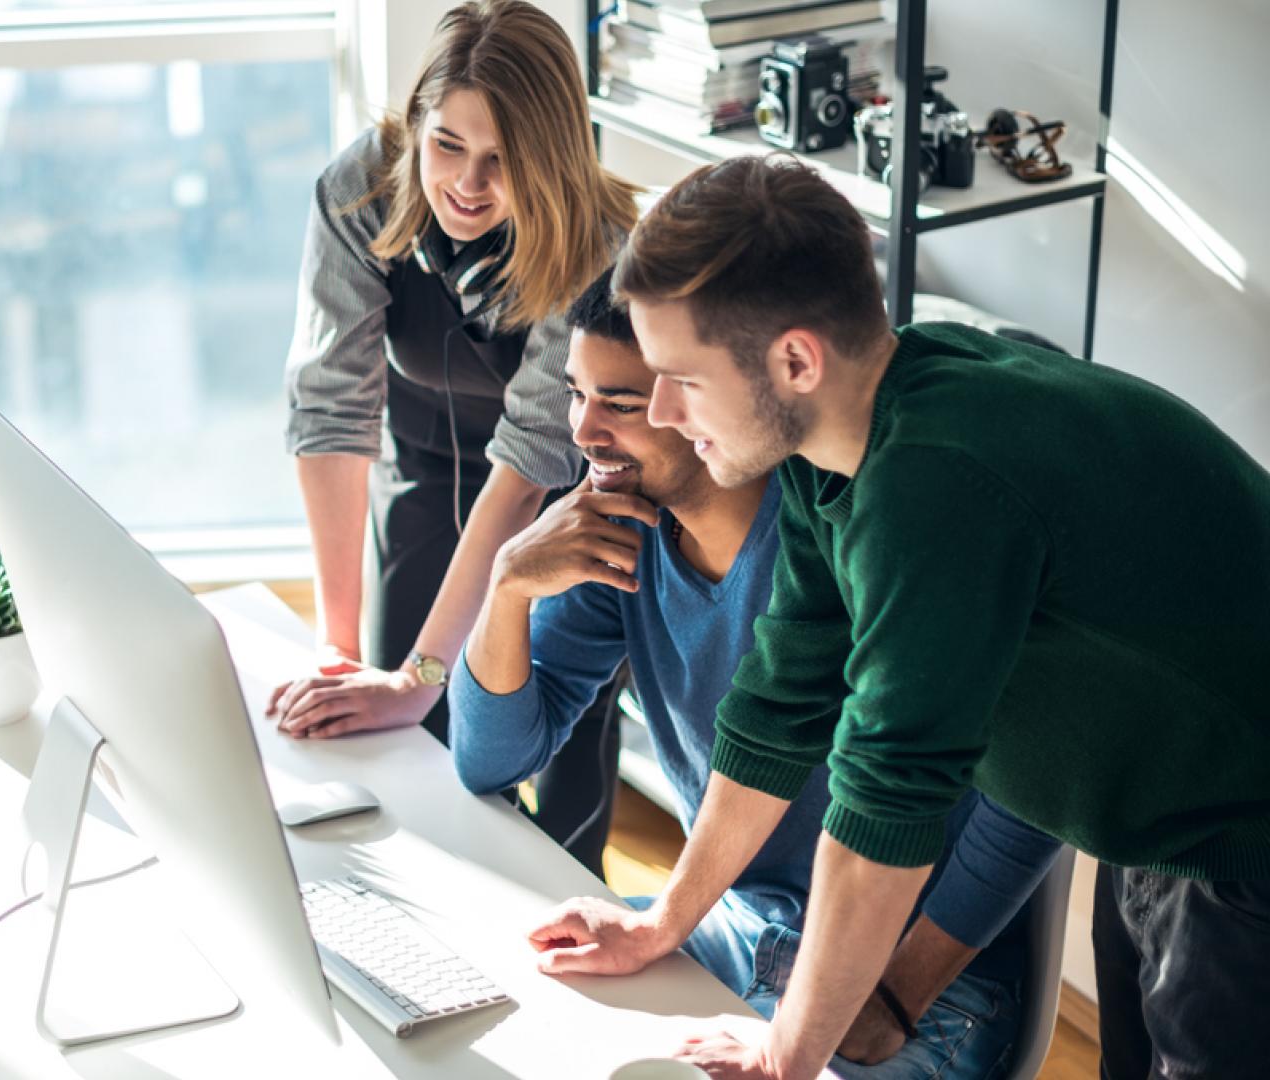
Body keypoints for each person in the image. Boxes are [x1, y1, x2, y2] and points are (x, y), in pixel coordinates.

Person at [586, 153, 1270, 1080]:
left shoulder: (933, 484)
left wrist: (785, 1057)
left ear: (793, 359)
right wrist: (663, 921)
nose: (661, 410)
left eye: (682, 378)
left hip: (1241, 847)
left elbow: (885, 808)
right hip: (1157, 825)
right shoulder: (836, 442)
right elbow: (780, 704)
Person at [454, 268, 1062, 1078]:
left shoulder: (856, 538)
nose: (585, 433)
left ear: (707, 401)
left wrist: (892, 992)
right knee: (502, 1018)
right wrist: (507, 588)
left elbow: (1035, 790)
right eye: (578, 395)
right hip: (740, 925)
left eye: (624, 404)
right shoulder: (623, 538)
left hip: (904, 979)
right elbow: (489, 758)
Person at [270, 0, 641, 859]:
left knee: (539, 715)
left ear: (549, 160)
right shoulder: (361, 191)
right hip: (428, 457)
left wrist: (425, 674)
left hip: (565, 492)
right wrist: (341, 648)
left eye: (501, 161)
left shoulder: (600, 246)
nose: (467, 185)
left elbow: (529, 461)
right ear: (416, 125)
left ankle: (566, 894)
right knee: (399, 714)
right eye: (447, 146)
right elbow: (332, 410)